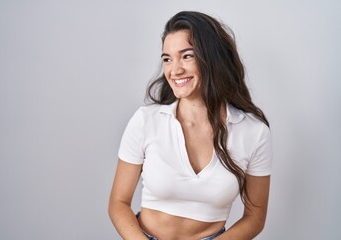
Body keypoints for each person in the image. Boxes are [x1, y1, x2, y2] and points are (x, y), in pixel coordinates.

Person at [109, 11, 272, 240]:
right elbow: (118, 203)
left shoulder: (253, 132)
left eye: (187, 56)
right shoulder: (146, 120)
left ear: (212, 59)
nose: (174, 70)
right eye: (167, 59)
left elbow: (256, 215)